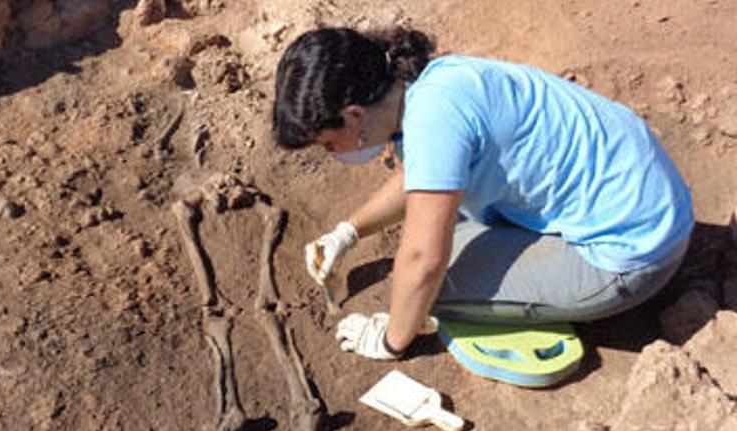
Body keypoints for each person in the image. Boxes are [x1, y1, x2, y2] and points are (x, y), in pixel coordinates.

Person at [272, 27, 694, 360]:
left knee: (428, 287)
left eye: (328, 143)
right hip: (651, 198)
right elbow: (423, 172)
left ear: (354, 115)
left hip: (633, 254)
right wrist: (349, 231)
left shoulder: (433, 122)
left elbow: (423, 263)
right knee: (441, 236)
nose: (331, 154)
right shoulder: (432, 83)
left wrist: (391, 339)